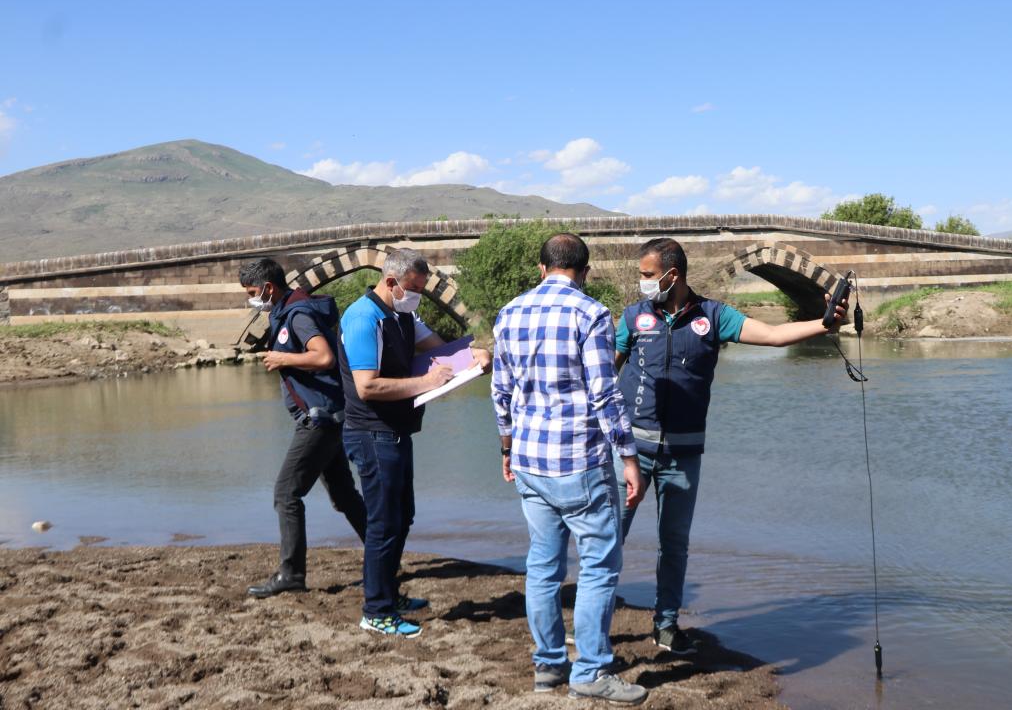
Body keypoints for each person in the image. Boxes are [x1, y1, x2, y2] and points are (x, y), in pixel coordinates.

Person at [613, 237, 847, 654]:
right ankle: (595, 618)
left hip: (683, 456)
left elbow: (773, 335)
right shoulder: (632, 318)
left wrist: (824, 324)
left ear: (673, 275)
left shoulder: (714, 316)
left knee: (675, 546)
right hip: (631, 453)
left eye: (648, 276)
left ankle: (665, 625)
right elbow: (604, 376)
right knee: (609, 536)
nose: (642, 284)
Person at [491, 233, 649, 704]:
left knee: (542, 564)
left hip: (530, 461)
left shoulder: (509, 312)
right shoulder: (590, 313)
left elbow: (501, 391)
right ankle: (592, 671)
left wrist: (506, 447)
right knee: (599, 565)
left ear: (542, 268)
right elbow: (605, 394)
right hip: (579, 460)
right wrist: (629, 456)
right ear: (584, 271)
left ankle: (549, 666)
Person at [337, 247, 491, 638]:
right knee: (383, 522)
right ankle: (376, 610)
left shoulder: (403, 313)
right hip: (371, 433)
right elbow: (367, 386)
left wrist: (474, 355)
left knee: (401, 517)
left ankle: (389, 593)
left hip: (397, 431)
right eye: (414, 288)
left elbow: (441, 351)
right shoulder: (362, 318)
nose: (419, 295)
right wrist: (426, 382)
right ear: (391, 282)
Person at [238, 258, 368, 599]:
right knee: (343, 496)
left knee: (286, 493)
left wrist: (283, 359)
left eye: (253, 293)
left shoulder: (298, 314)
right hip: (327, 417)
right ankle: (384, 551)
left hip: (320, 420)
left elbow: (323, 356)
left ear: (269, 287)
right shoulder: (286, 311)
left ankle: (292, 574)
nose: (252, 299)